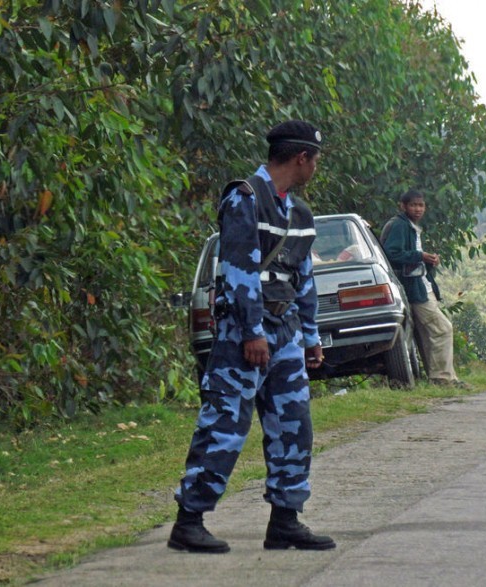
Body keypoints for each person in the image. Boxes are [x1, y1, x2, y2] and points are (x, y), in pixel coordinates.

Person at [169, 120, 335, 553]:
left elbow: (304, 279)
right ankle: (189, 521)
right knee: (225, 425)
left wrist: (311, 335)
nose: (316, 166)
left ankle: (285, 521)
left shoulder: (299, 213)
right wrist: (251, 331)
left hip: (287, 334)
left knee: (294, 428)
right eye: (315, 159)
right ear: (302, 158)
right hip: (245, 334)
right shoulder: (244, 198)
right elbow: (239, 270)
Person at [382, 189, 461, 386]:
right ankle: (444, 377)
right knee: (442, 329)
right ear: (403, 206)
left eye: (421, 205)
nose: (418, 209)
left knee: (427, 334)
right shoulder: (400, 225)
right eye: (413, 205)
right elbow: (391, 254)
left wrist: (427, 260)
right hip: (414, 290)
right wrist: (420, 256)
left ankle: (439, 378)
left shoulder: (410, 226)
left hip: (421, 285)